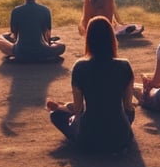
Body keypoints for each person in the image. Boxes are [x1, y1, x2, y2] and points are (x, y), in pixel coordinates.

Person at [47, 16, 135, 153]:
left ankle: (62, 108)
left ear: (89, 39)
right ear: (112, 38)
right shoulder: (124, 65)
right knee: (126, 113)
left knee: (55, 115)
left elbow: (78, 109)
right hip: (120, 138)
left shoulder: (80, 66)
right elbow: (129, 106)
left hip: (88, 138)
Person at [0, 0, 65, 61]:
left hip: (21, 52)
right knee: (61, 45)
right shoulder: (45, 10)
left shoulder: (16, 11)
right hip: (42, 51)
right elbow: (47, 34)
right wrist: (48, 44)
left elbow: (15, 35)